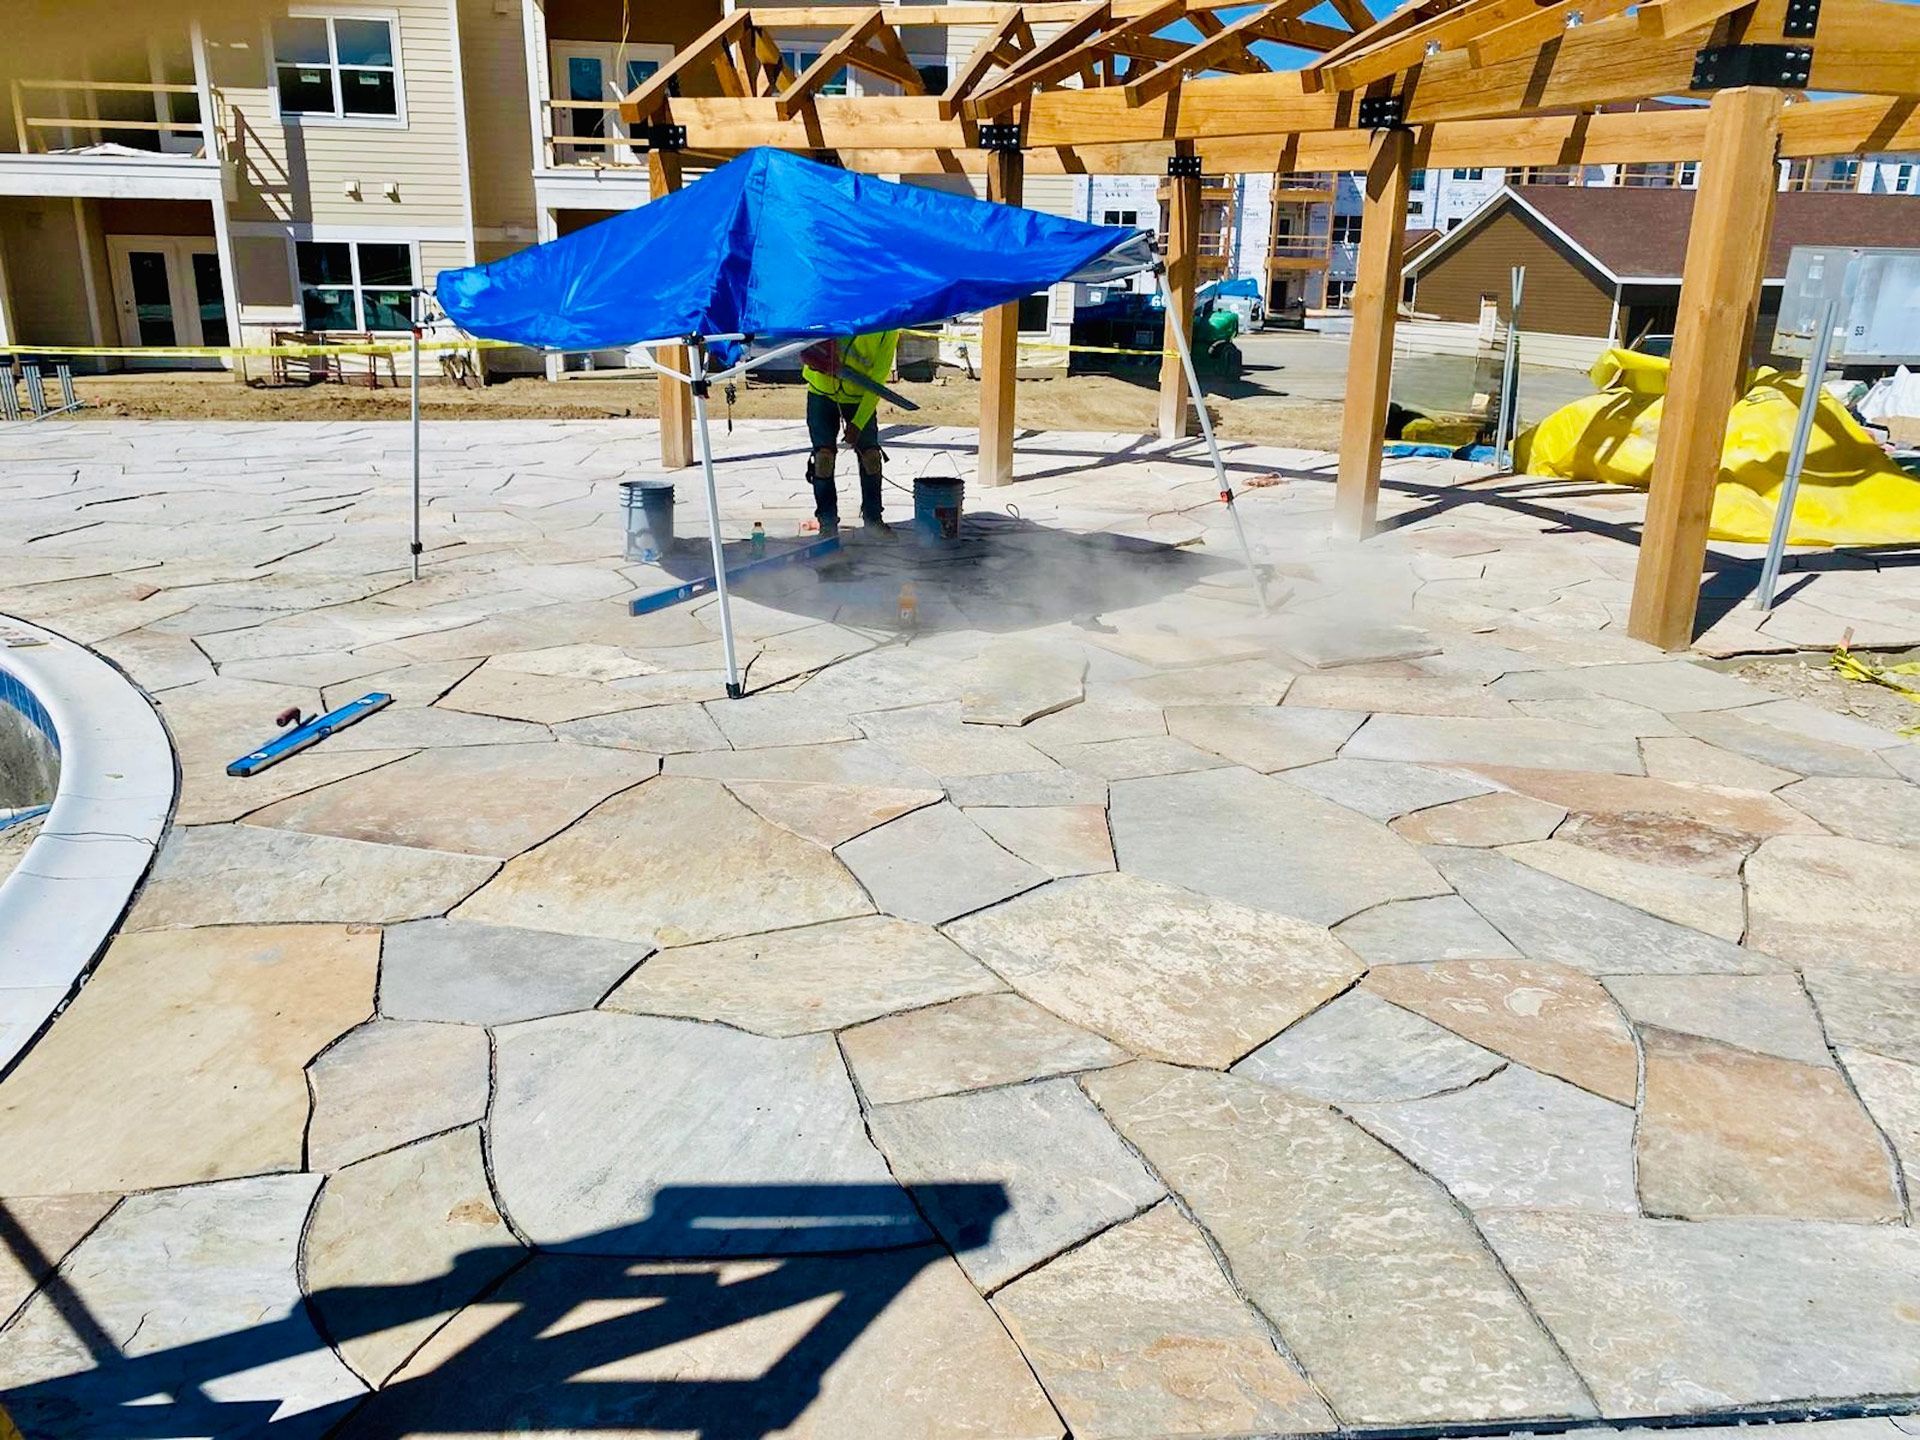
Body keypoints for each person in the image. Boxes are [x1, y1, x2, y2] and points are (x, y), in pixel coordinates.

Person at [800, 330, 900, 537]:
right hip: (822, 392)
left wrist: (859, 422)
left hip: (859, 397)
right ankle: (827, 523)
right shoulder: (837, 304)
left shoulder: (889, 326)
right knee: (823, 460)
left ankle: (873, 520)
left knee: (871, 458)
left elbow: (879, 377)